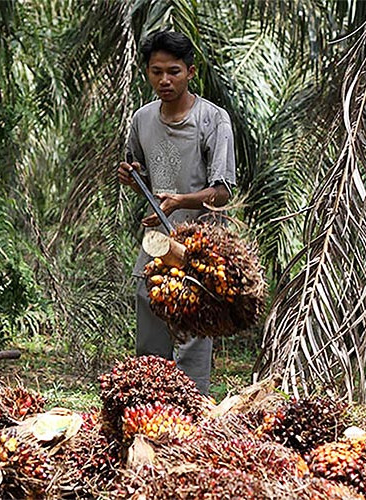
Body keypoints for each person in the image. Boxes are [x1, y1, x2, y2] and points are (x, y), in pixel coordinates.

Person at [117, 31, 236, 395]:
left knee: (193, 336)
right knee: (149, 326)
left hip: (201, 246)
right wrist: (131, 177)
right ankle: (149, 409)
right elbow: (146, 178)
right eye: (156, 72)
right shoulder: (141, 119)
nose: (164, 80)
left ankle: (192, 416)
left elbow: (222, 191)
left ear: (190, 72)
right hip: (157, 241)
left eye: (173, 71)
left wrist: (179, 201)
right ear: (147, 74)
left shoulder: (213, 120)